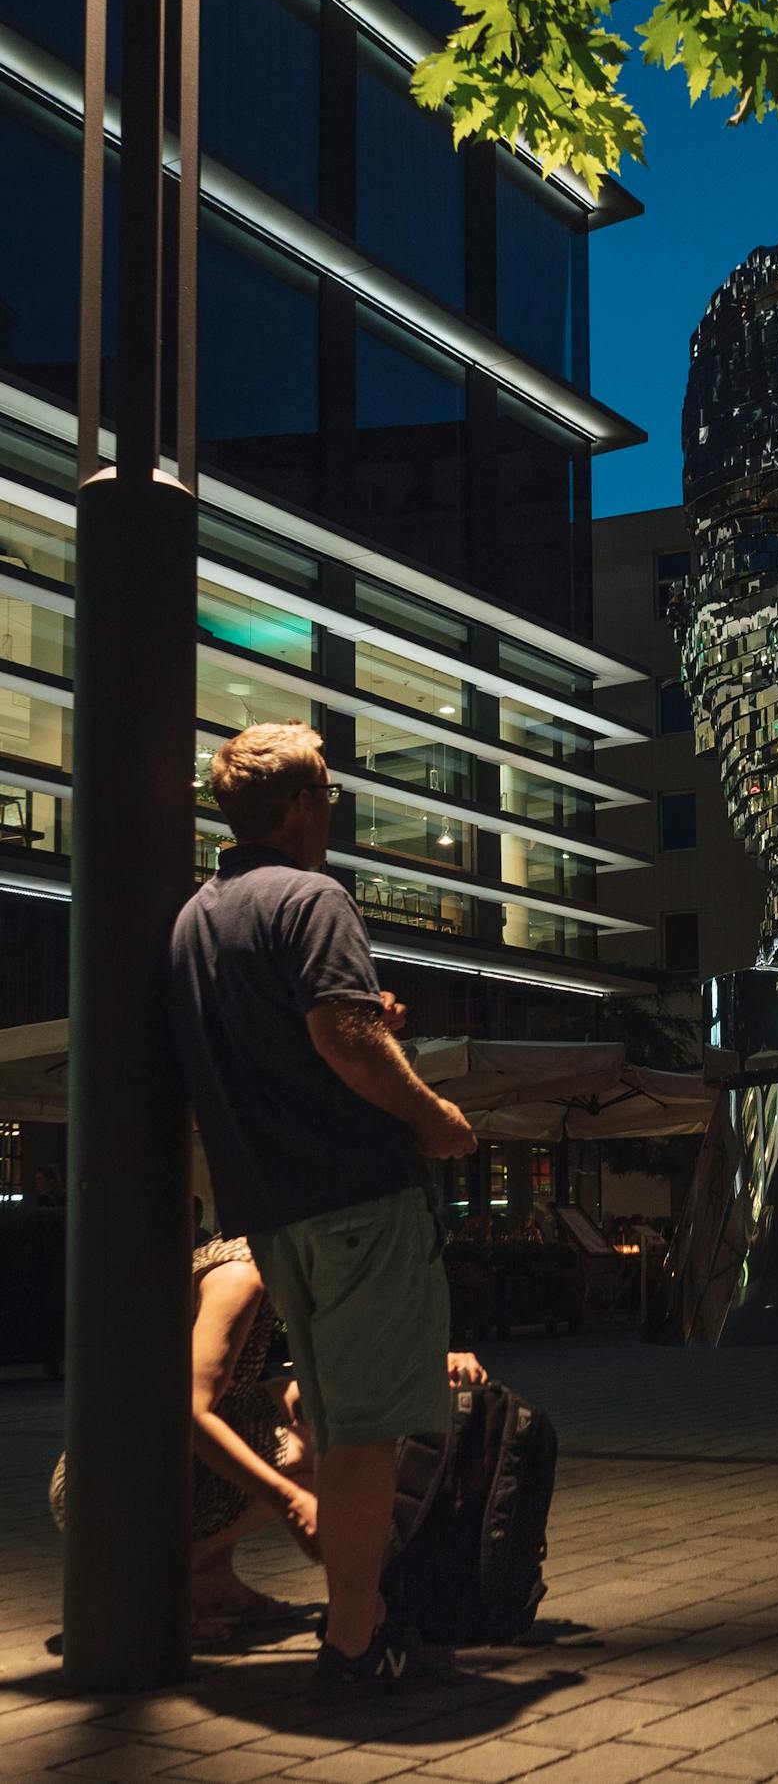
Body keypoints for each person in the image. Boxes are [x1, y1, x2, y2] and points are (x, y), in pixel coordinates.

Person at [169, 721, 478, 1694]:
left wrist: (353, 1028)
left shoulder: (194, 921)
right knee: (365, 1428)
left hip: (269, 1209)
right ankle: (355, 1639)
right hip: (358, 1193)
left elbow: (277, 1040)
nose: (332, 813)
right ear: (303, 805)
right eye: (331, 795)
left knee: (341, 1413)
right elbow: (340, 1035)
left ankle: (366, 1620)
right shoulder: (313, 896)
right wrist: (436, 1118)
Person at [50, 1234, 318, 1642]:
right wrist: (290, 1500)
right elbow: (188, 1412)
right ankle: (170, 1583)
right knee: (314, 1452)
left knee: (288, 1399)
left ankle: (214, 1582)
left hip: (121, 1466)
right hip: (110, 1492)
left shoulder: (232, 1257)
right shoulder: (240, 1275)